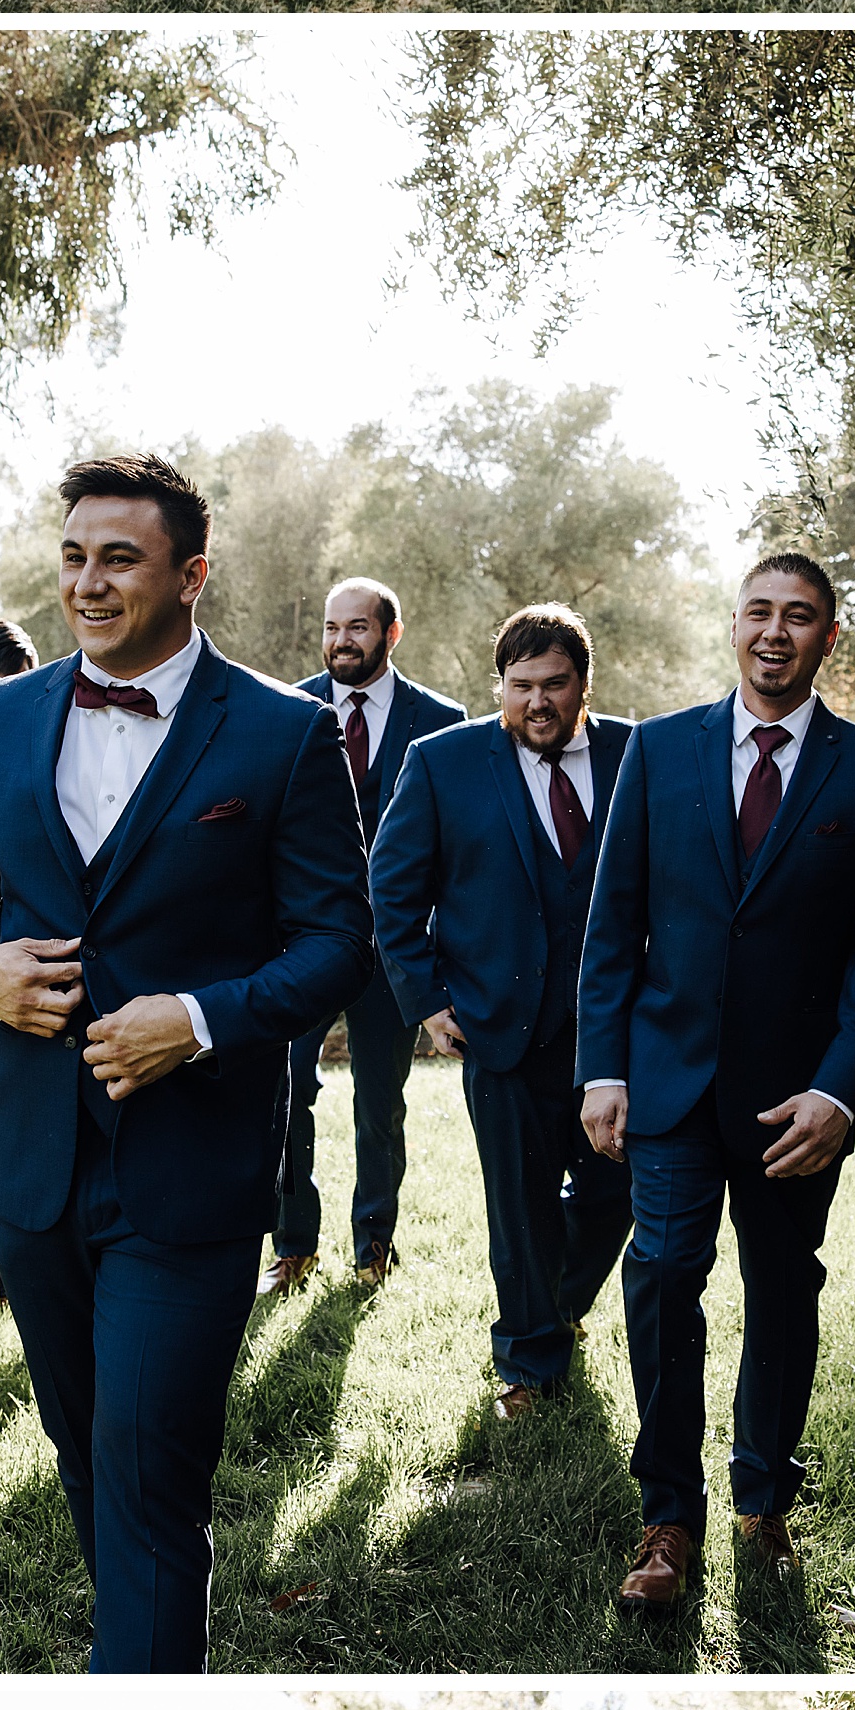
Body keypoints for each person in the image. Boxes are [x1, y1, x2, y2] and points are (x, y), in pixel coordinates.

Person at [0, 451, 371, 1670]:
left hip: (191, 1165)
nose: (90, 583)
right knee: (82, 1442)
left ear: (191, 575)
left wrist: (203, 1017)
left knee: (150, 1465)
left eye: (120, 558)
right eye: (73, 556)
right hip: (29, 1165)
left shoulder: (281, 733)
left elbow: (337, 941)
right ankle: (141, 1623)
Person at [577, 551, 855, 1612]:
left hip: (795, 1105)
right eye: (759, 611)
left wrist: (842, 1090)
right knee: (663, 1274)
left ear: (827, 637)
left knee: (783, 1288)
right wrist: (603, 1065)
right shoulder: (659, 750)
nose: (775, 631)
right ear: (733, 624)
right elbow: (612, 922)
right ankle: (667, 1515)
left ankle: (762, 1491)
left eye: (800, 616)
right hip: (669, 1082)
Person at [369, 607, 634, 1424]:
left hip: (619, 1033)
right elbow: (393, 889)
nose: (539, 702)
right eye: (521, 686)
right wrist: (427, 1000)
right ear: (501, 687)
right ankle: (528, 1362)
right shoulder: (441, 761)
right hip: (499, 1028)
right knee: (517, 1207)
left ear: (584, 684)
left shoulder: (640, 754)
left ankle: (558, 1303)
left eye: (555, 684)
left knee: (614, 1196)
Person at [268, 577, 464, 1294]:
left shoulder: (442, 719)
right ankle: (293, 1245)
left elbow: (451, 843)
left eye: (357, 627)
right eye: (330, 627)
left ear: (391, 632)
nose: (340, 641)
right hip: (302, 944)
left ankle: (373, 1246)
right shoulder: (287, 708)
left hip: (395, 951)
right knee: (286, 1089)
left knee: (381, 1104)